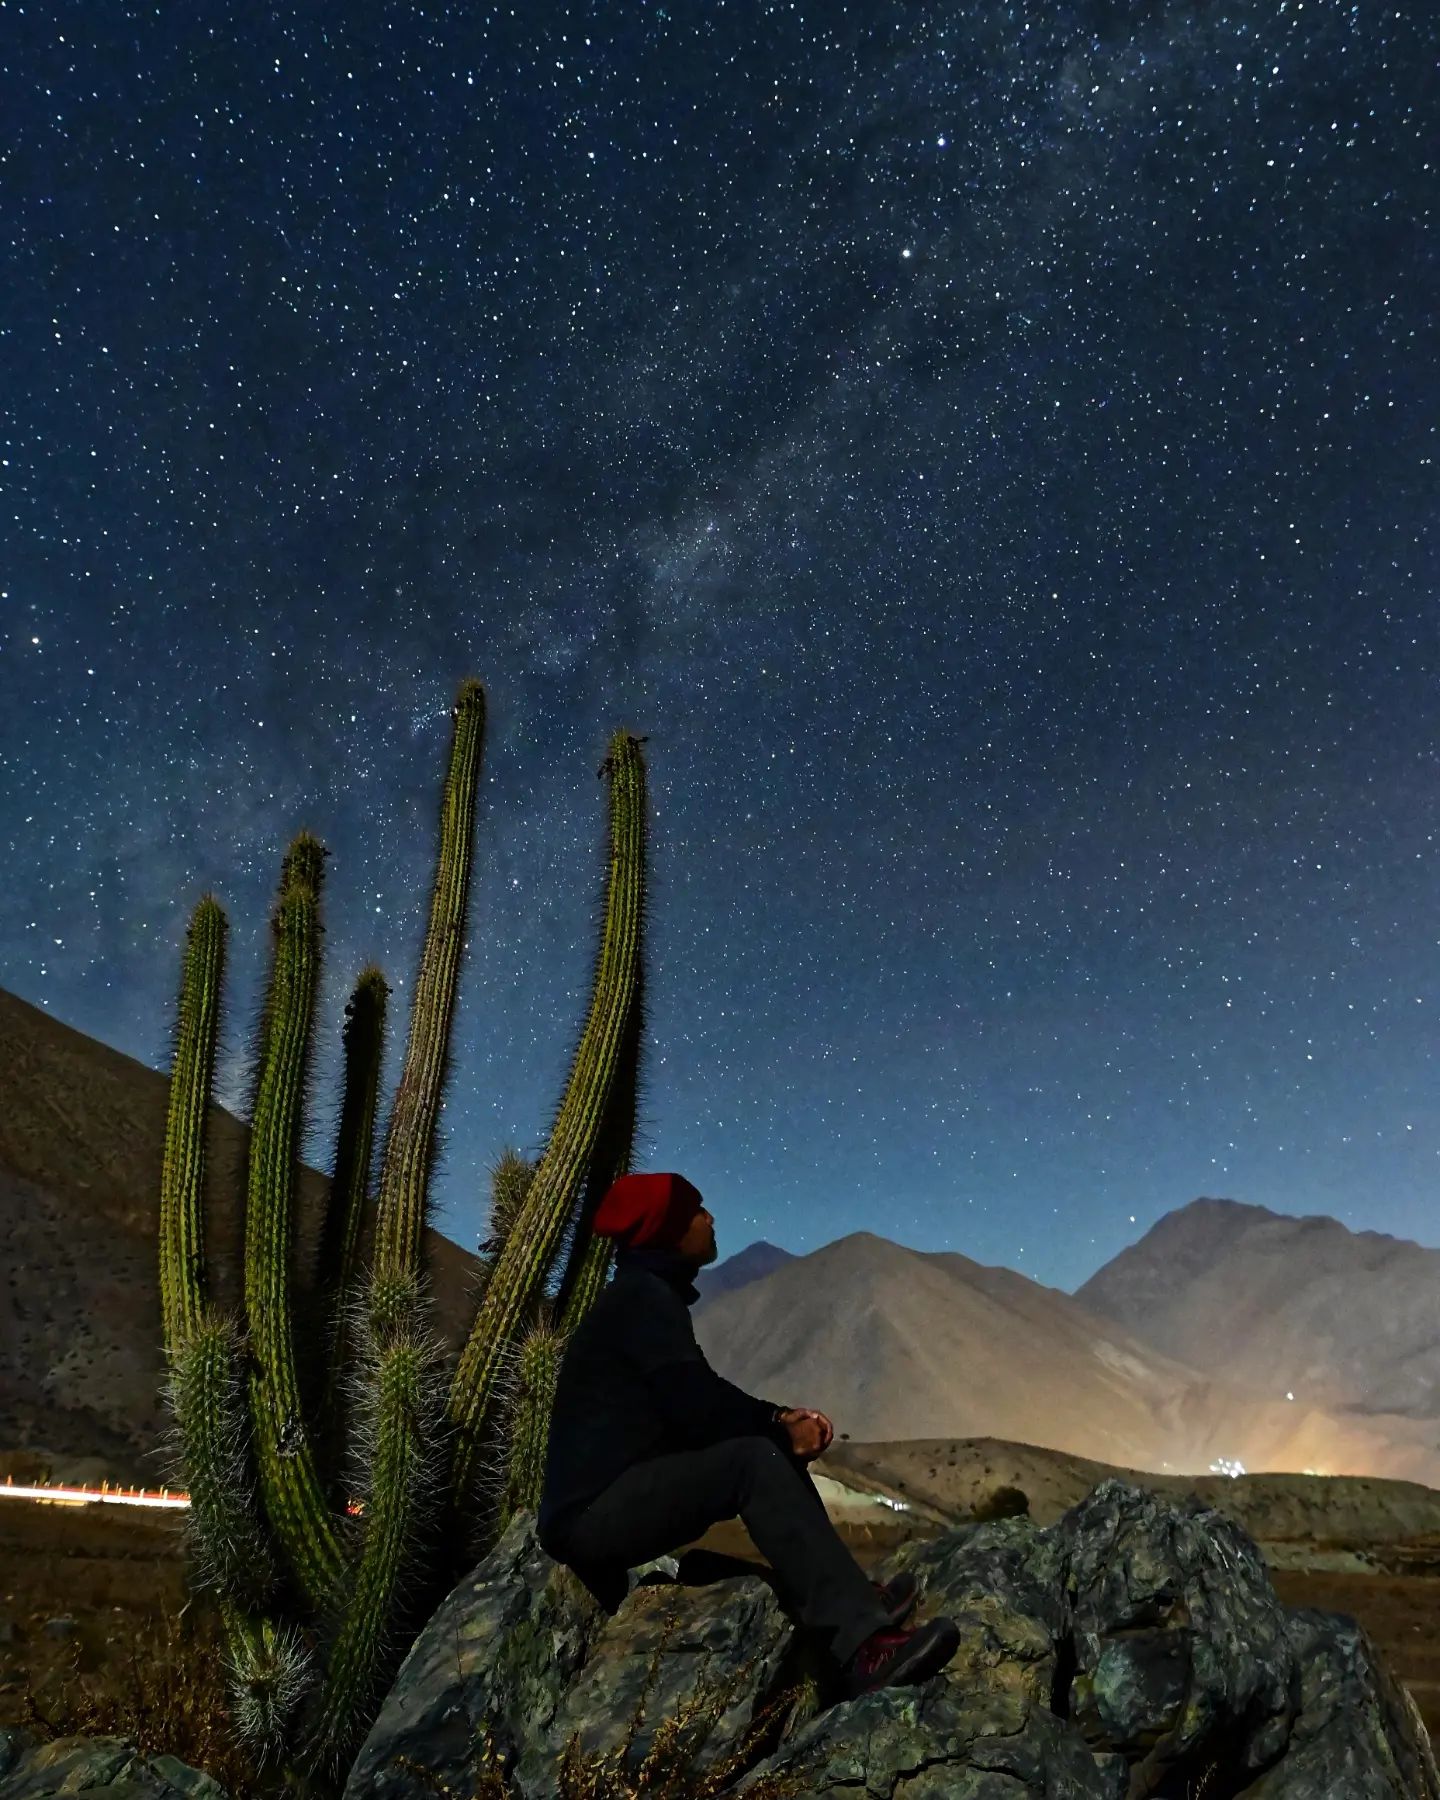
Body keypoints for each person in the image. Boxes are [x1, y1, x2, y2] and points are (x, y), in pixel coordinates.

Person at [536, 1171, 961, 1698]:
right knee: (754, 1462)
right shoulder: (640, 1300)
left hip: (613, 1495)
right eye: (696, 1210)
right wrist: (778, 1430)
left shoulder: (646, 1295)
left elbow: (700, 1393)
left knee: (765, 1448)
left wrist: (778, 1419)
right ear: (668, 1229)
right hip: (590, 1518)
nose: (709, 1218)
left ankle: (851, 1598)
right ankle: (862, 1649)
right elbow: (697, 1408)